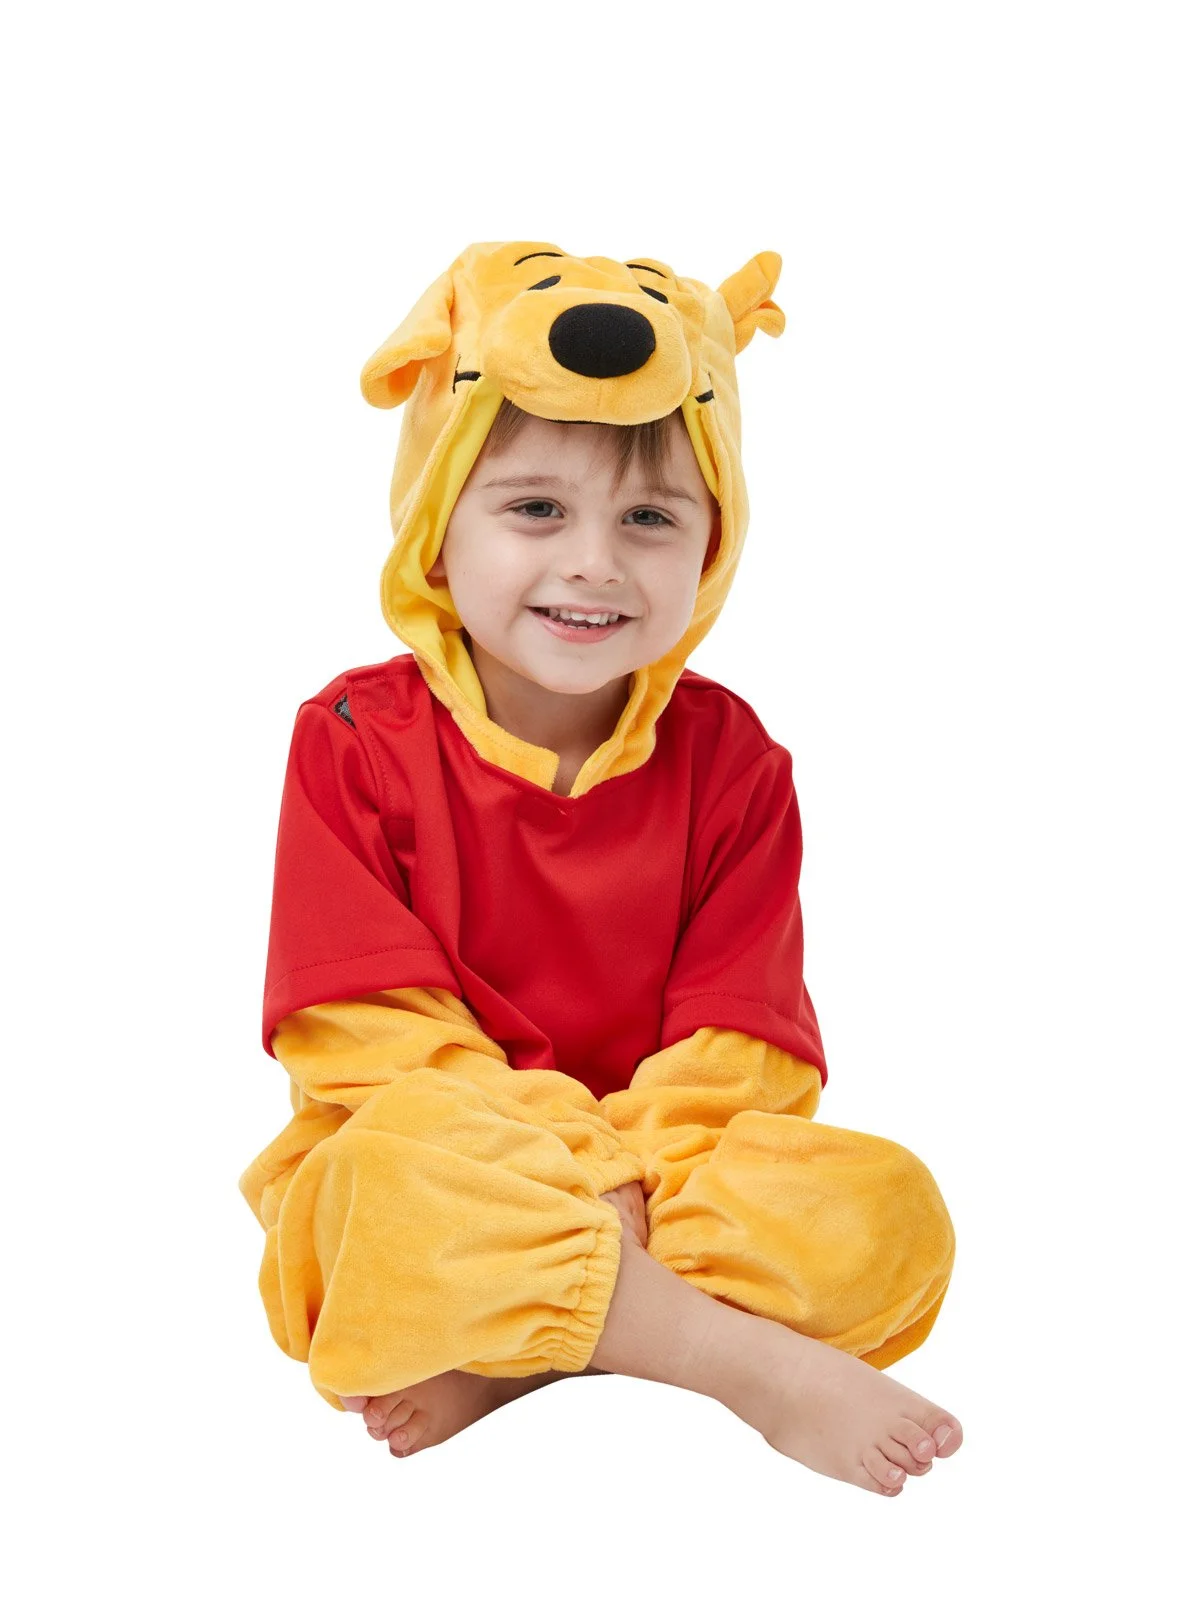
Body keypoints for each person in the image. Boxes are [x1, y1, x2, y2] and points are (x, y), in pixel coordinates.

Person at [238, 240, 963, 1497]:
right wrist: (588, 1178)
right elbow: (372, 1040)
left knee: (886, 1214)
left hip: (670, 1177)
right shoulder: (350, 740)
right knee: (382, 1188)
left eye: (649, 518)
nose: (593, 561)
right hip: (456, 1160)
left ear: (713, 542)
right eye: (535, 509)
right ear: (437, 522)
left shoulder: (736, 761)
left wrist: (629, 1183)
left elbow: (739, 1054)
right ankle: (735, 1361)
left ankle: (522, 1352)